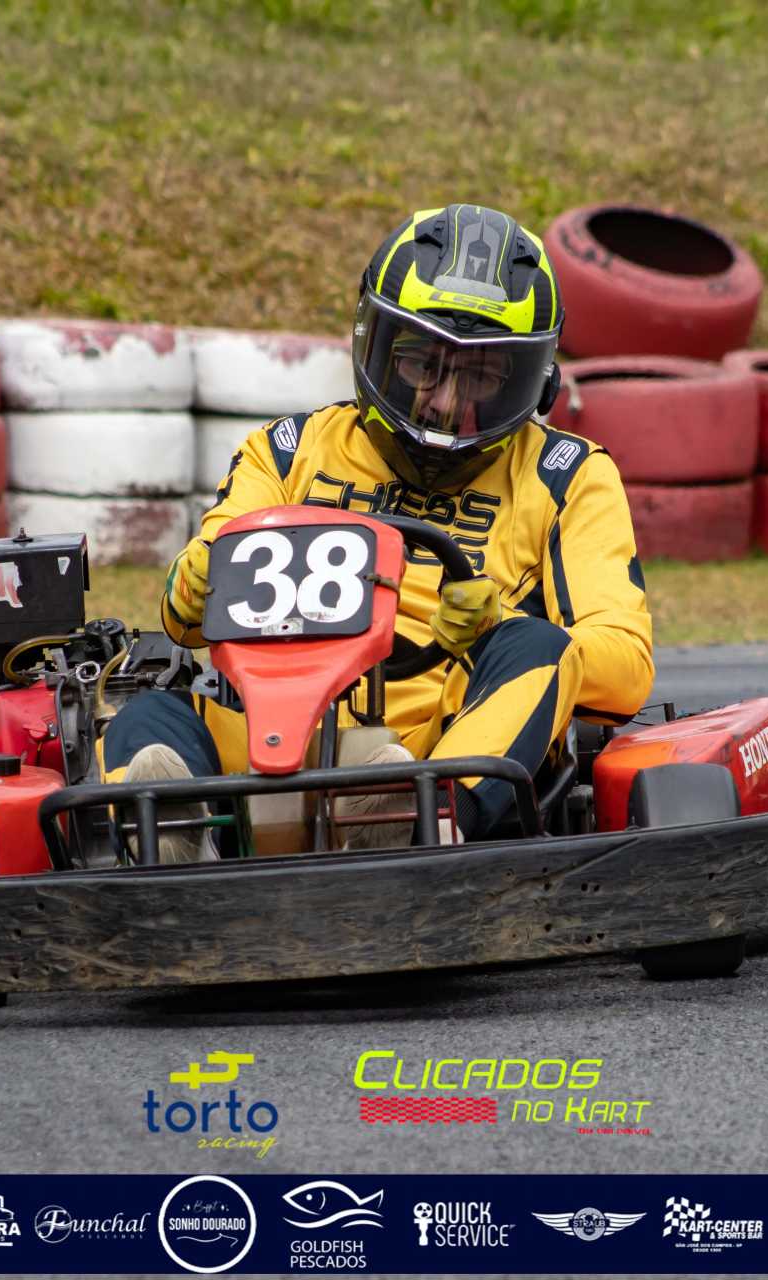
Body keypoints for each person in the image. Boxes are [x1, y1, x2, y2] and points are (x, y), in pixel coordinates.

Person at [102, 203, 655, 858]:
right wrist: (196, 577)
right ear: (378, 346)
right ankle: (179, 841)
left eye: (480, 376)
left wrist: (493, 627)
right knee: (146, 714)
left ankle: (425, 823)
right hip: (266, 728)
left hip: (443, 734)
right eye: (423, 365)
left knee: (540, 646)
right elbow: (184, 620)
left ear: (532, 380)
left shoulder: (566, 475)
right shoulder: (289, 451)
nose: (444, 402)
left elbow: (625, 668)